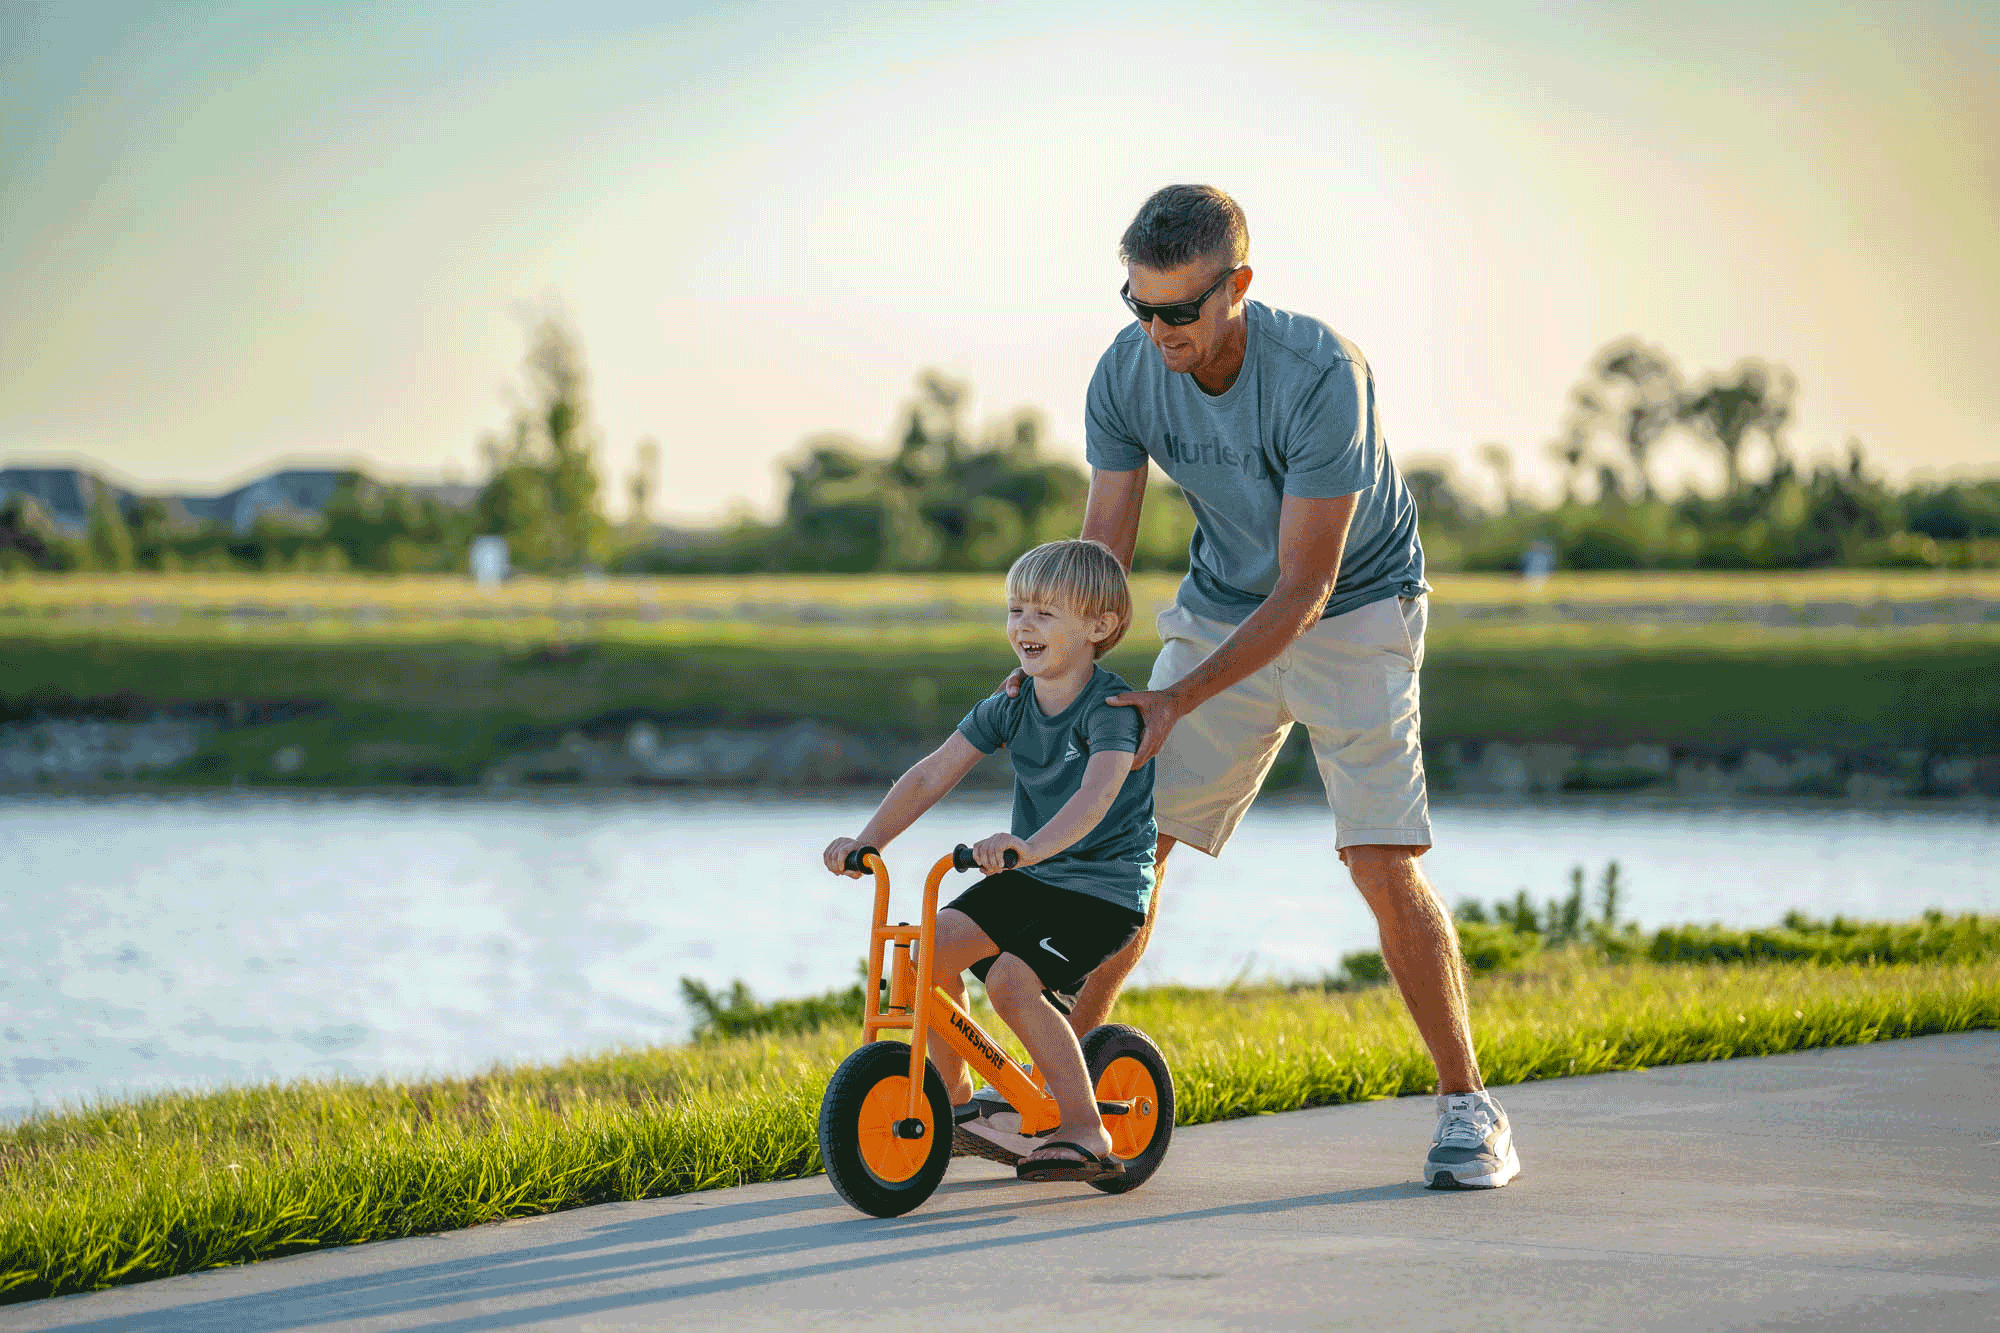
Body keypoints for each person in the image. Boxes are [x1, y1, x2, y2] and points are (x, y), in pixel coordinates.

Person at [1019, 183, 1519, 1189]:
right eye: (1138, 306)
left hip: (1356, 612)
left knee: (1377, 857)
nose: (1156, 331)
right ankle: (1057, 1087)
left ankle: (1467, 1109)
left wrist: (1175, 699)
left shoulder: (1318, 373)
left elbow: (1307, 585)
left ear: (1234, 287)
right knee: (1124, 837)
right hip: (1217, 601)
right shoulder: (1125, 372)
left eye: (1178, 311)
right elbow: (1102, 550)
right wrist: (1061, 667)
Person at [823, 538, 1156, 1183]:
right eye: (1016, 611)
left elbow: (1095, 796)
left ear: (1098, 627)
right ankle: (953, 1102)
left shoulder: (1112, 713)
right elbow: (930, 776)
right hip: (1032, 876)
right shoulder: (1009, 705)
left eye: (1044, 614)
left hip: (1101, 891)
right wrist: (869, 839)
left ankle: (1086, 1129)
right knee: (928, 954)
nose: (1023, 627)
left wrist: (1029, 848)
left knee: (1009, 983)